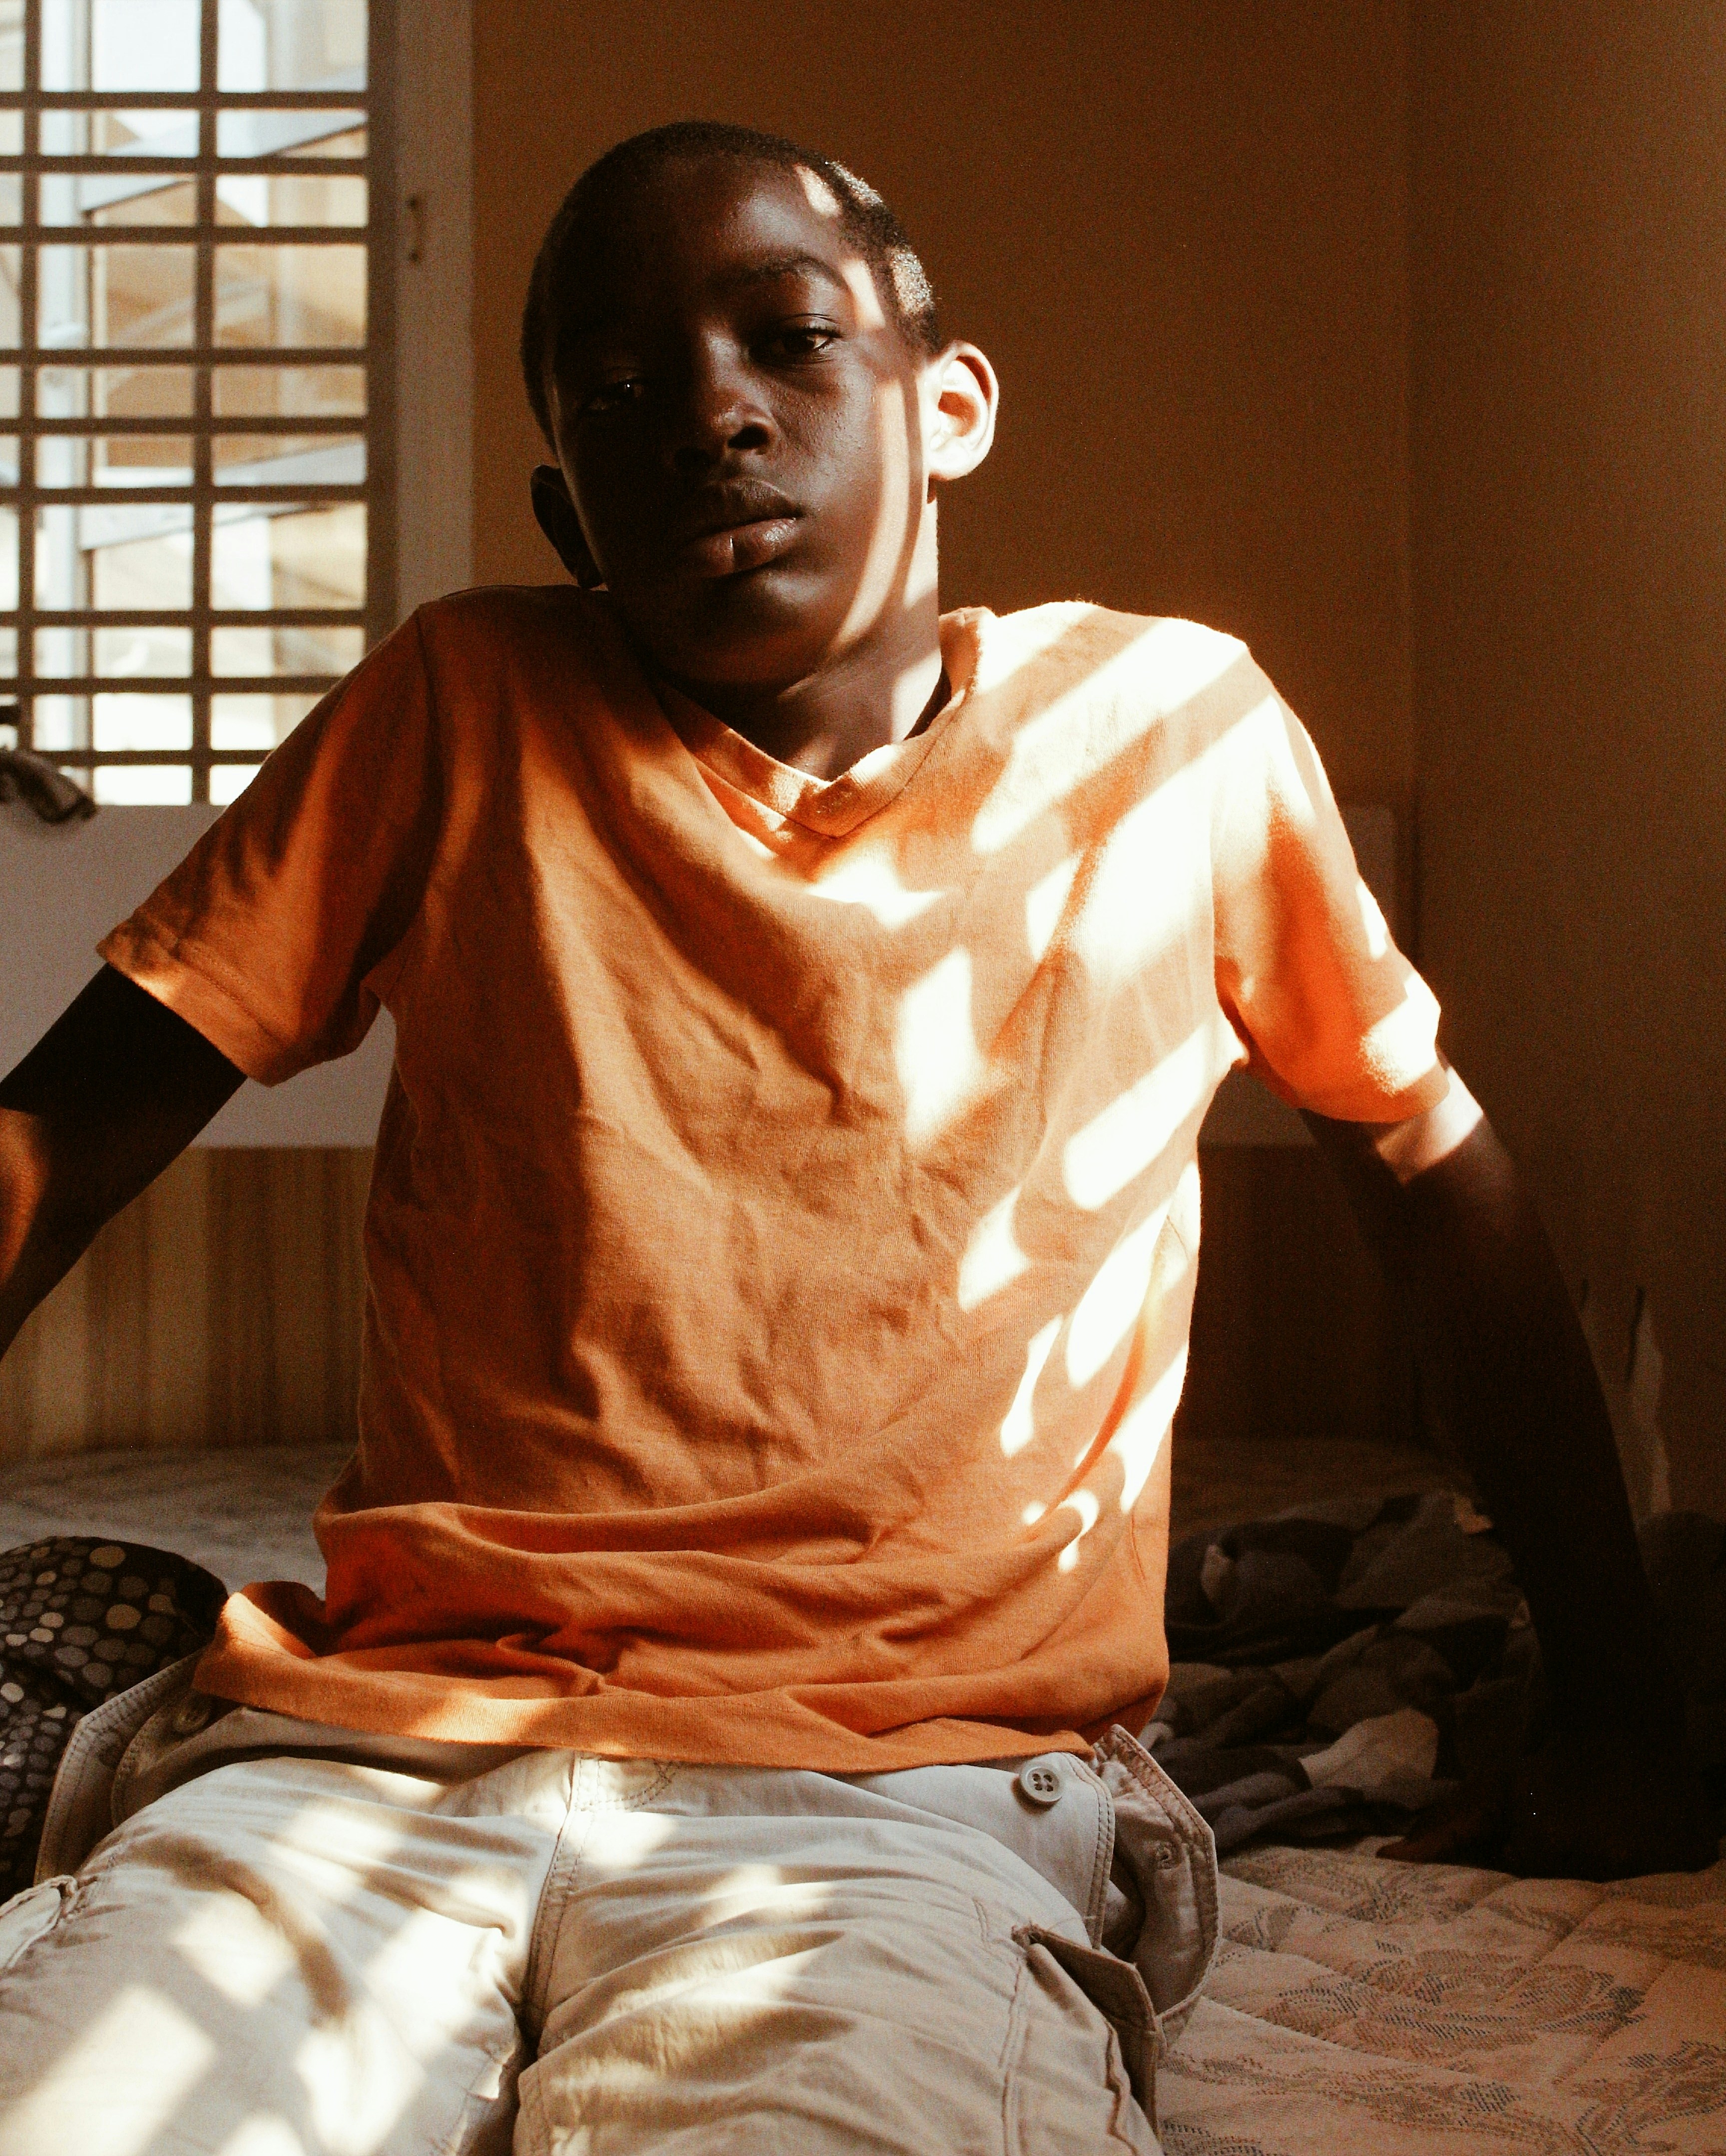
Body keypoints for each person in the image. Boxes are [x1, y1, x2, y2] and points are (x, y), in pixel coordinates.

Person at [0, 120, 1711, 2156]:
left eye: (788, 341)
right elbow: (64, 1136)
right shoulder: (461, 708)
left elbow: (1437, 1191)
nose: (710, 414)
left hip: (900, 1786)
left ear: (948, 402)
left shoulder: (1171, 737)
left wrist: (1613, 1693)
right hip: (372, 1756)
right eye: (621, 399)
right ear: (569, 510)